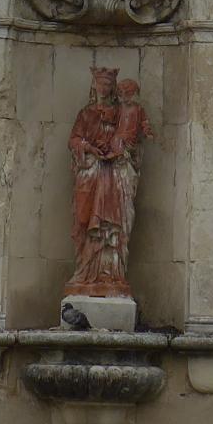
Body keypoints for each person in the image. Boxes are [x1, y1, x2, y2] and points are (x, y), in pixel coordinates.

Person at [65, 70, 153, 298]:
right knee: (84, 221)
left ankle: (112, 273)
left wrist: (122, 149)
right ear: (94, 86)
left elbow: (131, 136)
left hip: (114, 174)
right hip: (91, 171)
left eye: (108, 85)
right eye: (100, 84)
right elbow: (74, 139)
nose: (103, 89)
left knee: (116, 223)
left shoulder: (121, 113)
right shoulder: (85, 114)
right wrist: (88, 148)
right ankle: (85, 272)